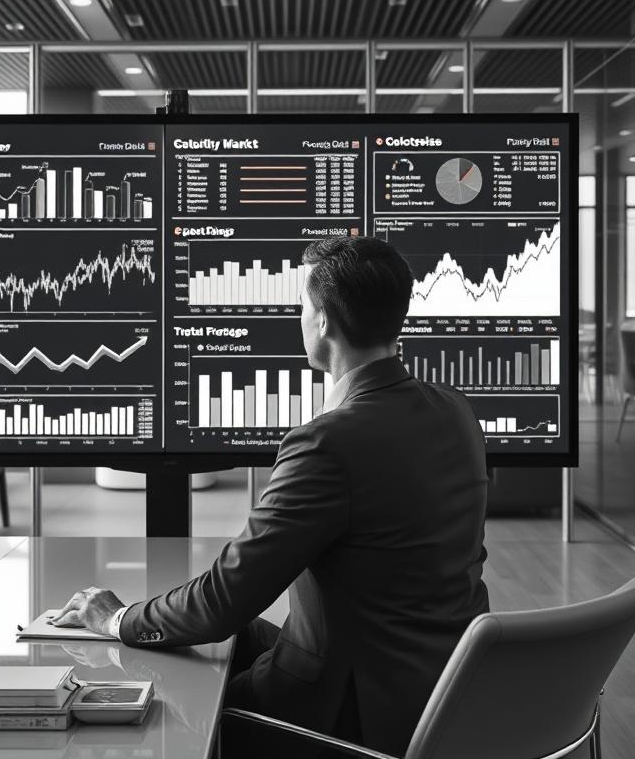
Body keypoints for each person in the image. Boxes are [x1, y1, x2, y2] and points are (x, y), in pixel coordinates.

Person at [51, 235, 490, 756]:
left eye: (301, 306)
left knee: (168, 708)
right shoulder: (457, 411)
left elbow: (223, 603)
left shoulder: (329, 443)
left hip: (351, 717)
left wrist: (117, 619)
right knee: (217, 642)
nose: (300, 318)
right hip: (447, 690)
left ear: (323, 320)